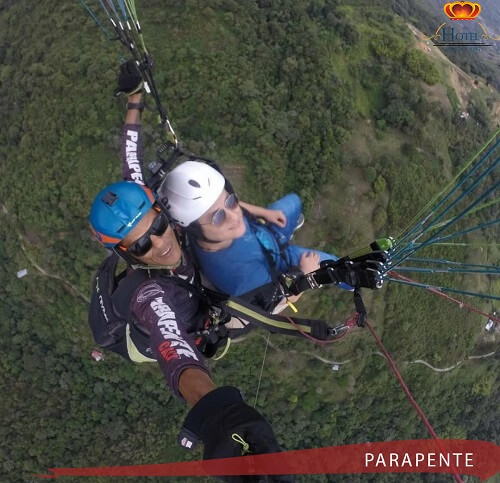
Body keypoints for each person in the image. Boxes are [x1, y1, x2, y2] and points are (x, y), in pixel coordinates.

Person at [88, 62, 291, 480]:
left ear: (162, 211)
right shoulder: (152, 298)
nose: (159, 241)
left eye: (159, 226)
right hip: (155, 332)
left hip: (184, 291)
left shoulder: (152, 210)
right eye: (141, 245)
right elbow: (177, 356)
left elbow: (131, 157)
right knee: (243, 314)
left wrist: (135, 98)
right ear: (126, 255)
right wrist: (218, 411)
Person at [158, 162, 353, 303]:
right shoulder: (241, 279)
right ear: (194, 230)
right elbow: (281, 302)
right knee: (335, 266)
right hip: (280, 260)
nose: (235, 216)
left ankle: (286, 231)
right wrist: (307, 276)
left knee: (293, 201)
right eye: (218, 218)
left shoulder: (202, 223)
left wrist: (265, 213)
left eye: (230, 201)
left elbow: (223, 206)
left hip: (265, 233)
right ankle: (352, 283)